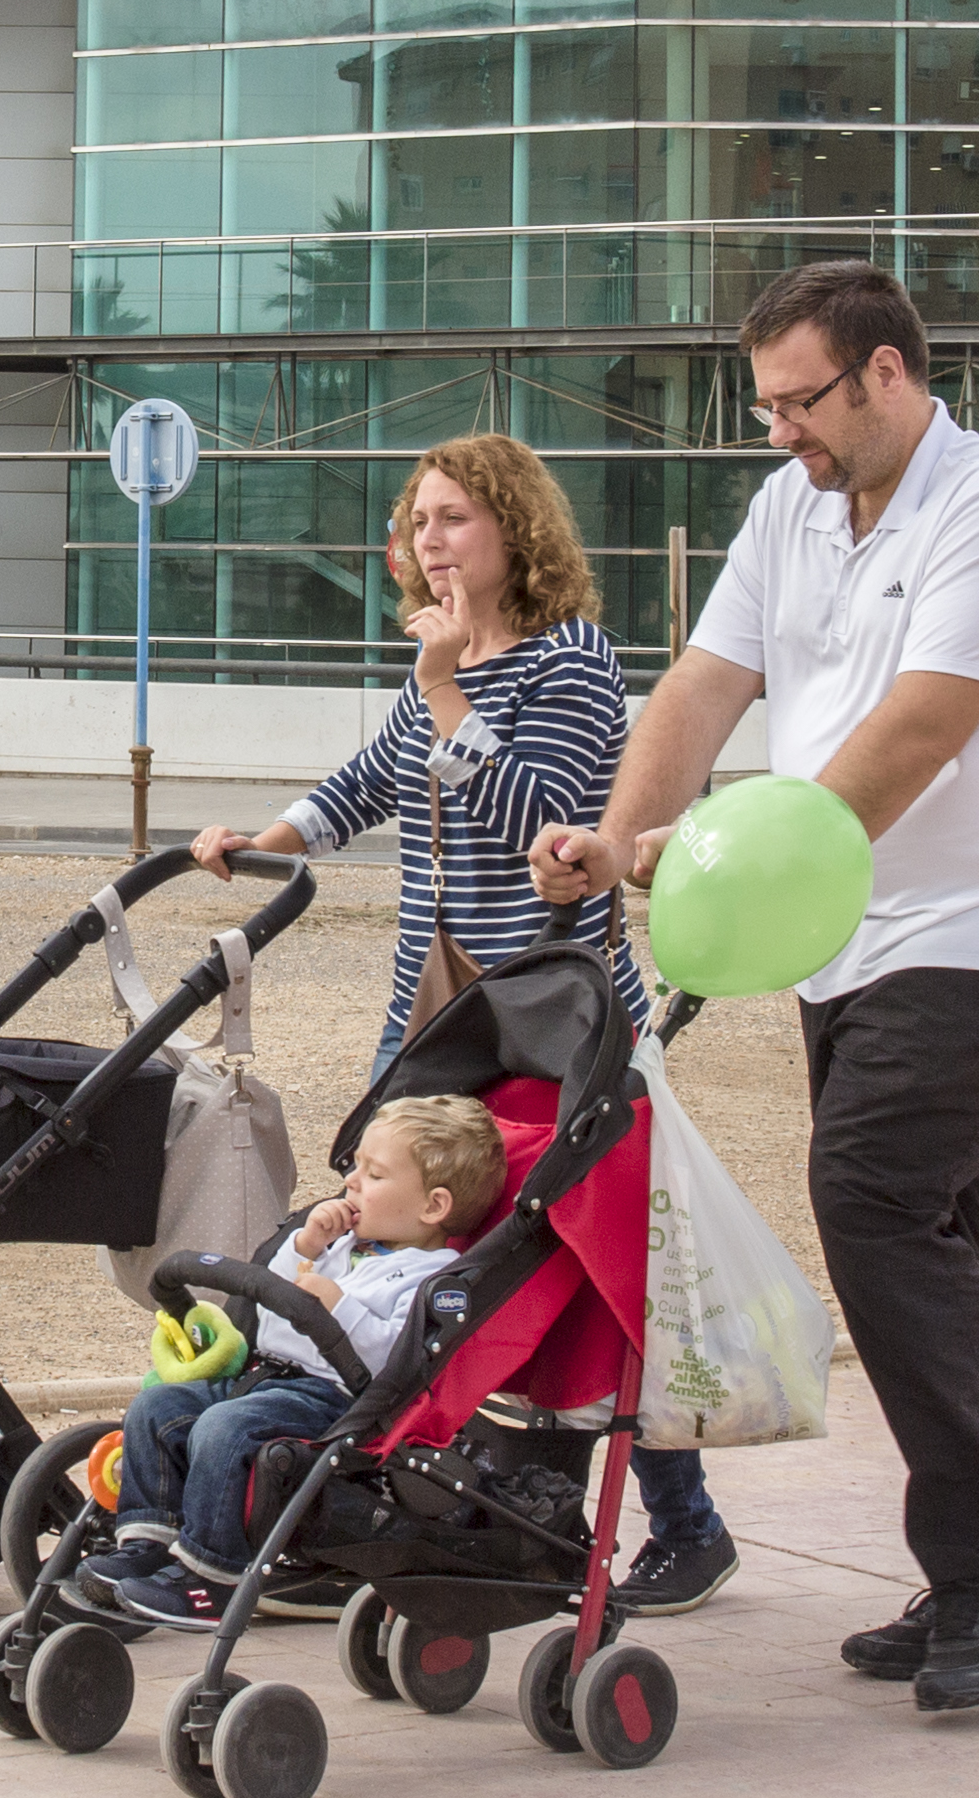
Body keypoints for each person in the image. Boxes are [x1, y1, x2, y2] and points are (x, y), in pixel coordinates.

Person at [536, 258, 979, 1718]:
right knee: (947, 1241)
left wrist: (731, 845)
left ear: (888, 375)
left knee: (868, 1194)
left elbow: (921, 730)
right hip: (844, 934)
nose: (781, 431)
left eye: (802, 402)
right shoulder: (789, 508)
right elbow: (700, 687)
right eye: (767, 406)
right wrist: (619, 838)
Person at [182, 431, 733, 1613]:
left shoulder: (569, 659)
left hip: (550, 1018)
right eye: (420, 522)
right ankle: (378, 1496)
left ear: (514, 532)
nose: (430, 543)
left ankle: (685, 1521)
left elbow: (553, 812)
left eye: (455, 520)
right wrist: (265, 842)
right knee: (407, 1246)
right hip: (435, 1020)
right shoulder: (438, 660)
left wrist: (445, 693)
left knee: (577, 1259)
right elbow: (371, 781)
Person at [75, 1095, 500, 1624]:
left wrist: (337, 1306)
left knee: (224, 1429)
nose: (351, 1183)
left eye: (374, 1175)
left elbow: (396, 1360)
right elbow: (272, 1304)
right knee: (158, 1407)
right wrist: (304, 1245)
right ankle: (149, 1539)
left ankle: (212, 1573)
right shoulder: (346, 1244)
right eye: (355, 1167)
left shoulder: (430, 1275)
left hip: (331, 1400)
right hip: (266, 1376)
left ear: (432, 1207)